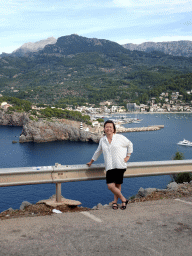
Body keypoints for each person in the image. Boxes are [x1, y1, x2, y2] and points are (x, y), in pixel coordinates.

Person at [87, 120, 133, 210]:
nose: (108, 128)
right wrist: (91, 161)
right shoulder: (102, 140)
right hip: (109, 166)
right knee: (110, 186)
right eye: (107, 127)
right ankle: (124, 199)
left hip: (120, 164)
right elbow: (98, 151)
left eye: (110, 127)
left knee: (118, 185)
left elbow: (130, 144)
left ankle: (115, 202)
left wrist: (128, 156)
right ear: (104, 129)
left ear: (113, 129)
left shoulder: (120, 137)